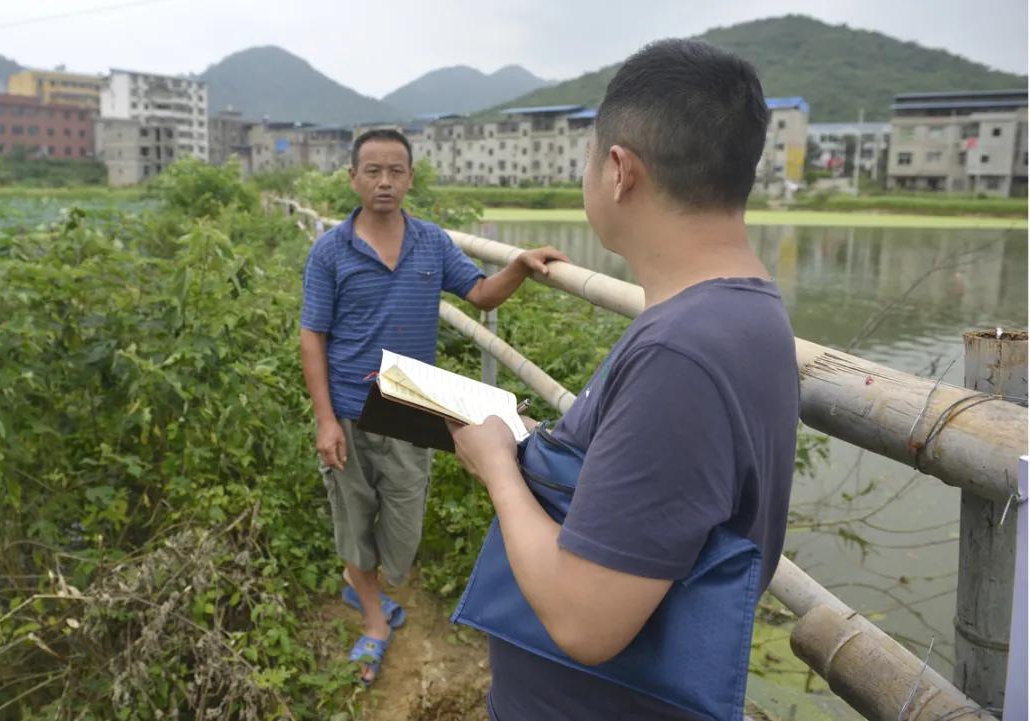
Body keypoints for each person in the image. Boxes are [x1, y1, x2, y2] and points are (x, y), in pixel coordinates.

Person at [449, 39, 800, 720]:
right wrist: (536, 449)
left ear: (618, 170)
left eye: (588, 157)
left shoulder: (682, 353)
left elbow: (586, 622)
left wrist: (497, 468)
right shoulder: (739, 312)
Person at [300, 128, 568, 685]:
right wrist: (325, 419)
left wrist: (518, 265)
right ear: (353, 178)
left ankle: (365, 581)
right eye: (372, 171)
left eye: (395, 171)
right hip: (349, 410)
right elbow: (313, 337)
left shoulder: (431, 243)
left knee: (402, 523)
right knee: (353, 520)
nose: (384, 181)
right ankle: (374, 623)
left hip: (406, 405)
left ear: (410, 178)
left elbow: (480, 294)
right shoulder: (329, 251)